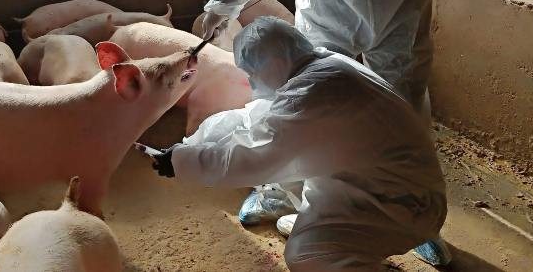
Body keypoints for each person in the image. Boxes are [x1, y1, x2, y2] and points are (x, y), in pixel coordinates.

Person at [198, 0, 470, 264]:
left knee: (403, 96)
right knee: (304, 95)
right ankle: (280, 190)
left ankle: (408, 212)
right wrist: (225, 1)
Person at [144, 18, 448, 271]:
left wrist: (183, 163)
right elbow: (254, 119)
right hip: (379, 185)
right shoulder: (322, 67)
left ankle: (357, 253)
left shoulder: (314, 94)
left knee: (305, 254)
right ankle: (338, 231)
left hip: (404, 206)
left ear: (275, 62)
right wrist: (189, 147)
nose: (251, 82)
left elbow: (257, 156)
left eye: (252, 72)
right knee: (296, 174)